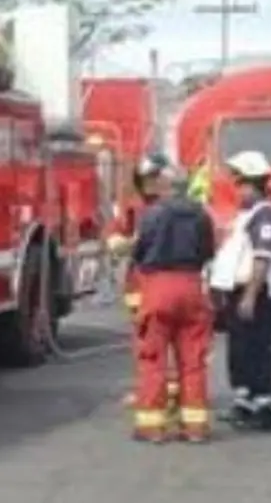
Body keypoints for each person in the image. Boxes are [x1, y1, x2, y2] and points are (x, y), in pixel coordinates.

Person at [130, 169, 216, 443]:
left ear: (165, 186)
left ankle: (152, 427)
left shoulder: (153, 214)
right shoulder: (202, 215)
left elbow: (139, 251)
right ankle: (195, 428)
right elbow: (208, 252)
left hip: (158, 285)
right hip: (191, 284)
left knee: (152, 358)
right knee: (193, 360)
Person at [210, 150, 271, 432]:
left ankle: (264, 407)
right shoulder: (248, 215)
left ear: (253, 182)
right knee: (240, 351)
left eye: (240, 182)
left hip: (257, 293)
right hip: (239, 292)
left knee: (256, 351)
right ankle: (245, 402)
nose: (237, 187)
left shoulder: (266, 215)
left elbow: (261, 257)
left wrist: (251, 294)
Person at [106, 153, 181, 408]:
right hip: (140, 283)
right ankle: (152, 388)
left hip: (169, 281)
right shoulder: (133, 207)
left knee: (174, 340)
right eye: (145, 178)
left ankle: (169, 389)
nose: (150, 184)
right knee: (146, 342)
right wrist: (124, 243)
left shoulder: (178, 208)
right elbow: (115, 237)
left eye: (154, 178)